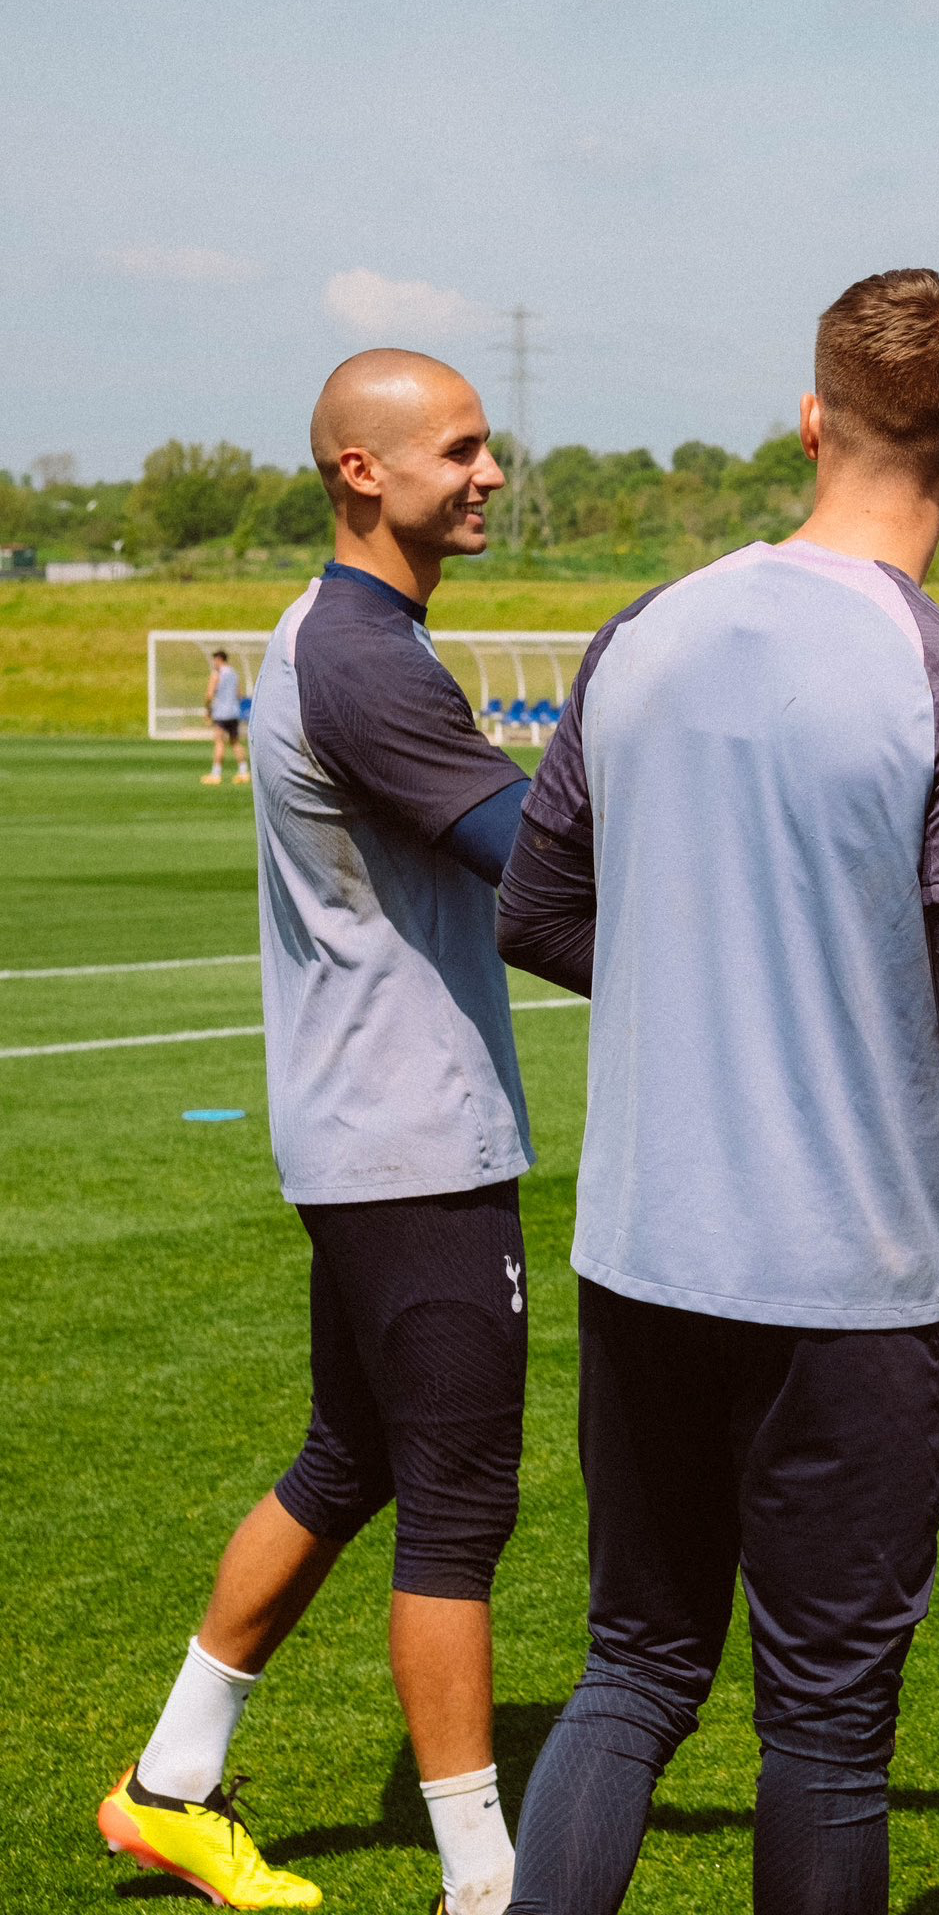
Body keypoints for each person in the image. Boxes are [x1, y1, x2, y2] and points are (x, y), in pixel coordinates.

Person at [494, 269, 939, 1915]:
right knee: (829, 1730)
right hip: (839, 1285)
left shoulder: (642, 628)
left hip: (641, 1250)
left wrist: (705, 987)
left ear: (807, 417)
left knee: (631, 1666)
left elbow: (538, 910)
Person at [100, 351, 537, 1915]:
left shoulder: (347, 637)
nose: (489, 473)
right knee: (459, 1502)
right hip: (416, 1147)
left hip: (368, 1133)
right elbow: (538, 879)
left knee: (349, 1459)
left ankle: (168, 1787)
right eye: (462, 450)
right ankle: (486, 1883)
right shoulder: (360, 655)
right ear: (365, 468)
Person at [203, 648, 251, 786]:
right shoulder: (234, 674)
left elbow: (210, 694)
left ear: (219, 659)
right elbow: (240, 694)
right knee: (235, 742)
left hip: (221, 713)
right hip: (234, 713)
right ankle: (243, 772)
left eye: (214, 660)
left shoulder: (217, 674)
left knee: (219, 742)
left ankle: (216, 774)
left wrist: (208, 709)